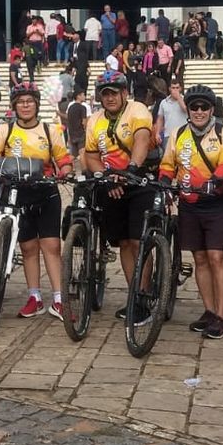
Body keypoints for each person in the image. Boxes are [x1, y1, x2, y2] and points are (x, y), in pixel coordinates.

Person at [0, 82, 73, 319]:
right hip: (18, 194)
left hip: (46, 192)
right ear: (14, 106)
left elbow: (63, 158)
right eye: (21, 102)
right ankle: (35, 297)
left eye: (29, 101)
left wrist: (65, 169)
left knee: (51, 246)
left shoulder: (49, 130)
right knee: (28, 248)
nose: (25, 105)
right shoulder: (6, 130)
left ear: (36, 104)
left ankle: (60, 300)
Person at [158, 84, 223, 339]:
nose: (199, 111)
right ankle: (210, 311)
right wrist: (163, 181)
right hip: (189, 204)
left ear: (212, 109)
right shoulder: (179, 133)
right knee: (200, 259)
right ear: (188, 110)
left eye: (204, 107)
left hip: (215, 202)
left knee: (217, 257)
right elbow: (168, 164)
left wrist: (213, 181)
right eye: (194, 107)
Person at [84, 71, 157, 321]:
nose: (110, 98)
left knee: (138, 242)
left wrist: (131, 170)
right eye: (105, 94)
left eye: (114, 93)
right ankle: (134, 295)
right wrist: (104, 177)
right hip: (112, 183)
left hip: (139, 179)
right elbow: (91, 155)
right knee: (124, 242)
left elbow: (142, 139)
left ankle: (145, 296)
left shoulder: (137, 110)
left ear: (124, 93)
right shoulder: (94, 121)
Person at [153, 81, 188, 157]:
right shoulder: (164, 102)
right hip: (168, 135)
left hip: (183, 135)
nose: (175, 90)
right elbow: (160, 118)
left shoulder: (185, 100)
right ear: (169, 89)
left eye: (177, 88)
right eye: (173, 88)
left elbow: (186, 110)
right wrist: (157, 133)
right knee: (168, 158)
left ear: (180, 89)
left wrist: (179, 98)